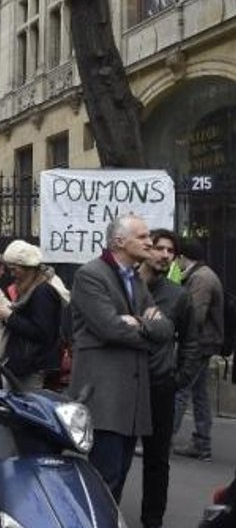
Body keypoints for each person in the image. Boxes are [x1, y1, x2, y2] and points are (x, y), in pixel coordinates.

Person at [69, 214, 173, 503]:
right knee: (103, 479)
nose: (149, 242)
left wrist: (138, 323)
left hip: (132, 400)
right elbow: (109, 328)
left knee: (118, 477)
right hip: (104, 396)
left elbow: (166, 329)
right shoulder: (90, 274)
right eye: (142, 236)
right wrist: (146, 328)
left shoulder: (136, 280)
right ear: (118, 241)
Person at [136, 229, 200, 528]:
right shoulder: (124, 285)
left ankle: (153, 522)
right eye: (158, 248)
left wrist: (179, 378)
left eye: (170, 251)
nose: (163, 255)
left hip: (160, 386)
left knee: (157, 460)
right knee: (111, 454)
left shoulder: (179, 296)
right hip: (121, 385)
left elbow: (192, 342)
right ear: (146, 251)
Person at [173, 239, 224, 461]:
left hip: (199, 344)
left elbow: (195, 316)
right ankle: (202, 443)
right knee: (199, 393)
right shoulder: (203, 275)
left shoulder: (201, 278)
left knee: (180, 391)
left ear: (183, 257)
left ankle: (162, 439)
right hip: (206, 342)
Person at [0, 240, 69, 390]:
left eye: (14, 269)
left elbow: (42, 332)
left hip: (32, 365)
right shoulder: (32, 289)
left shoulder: (42, 292)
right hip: (26, 364)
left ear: (28, 269)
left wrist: (10, 317)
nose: (12, 274)